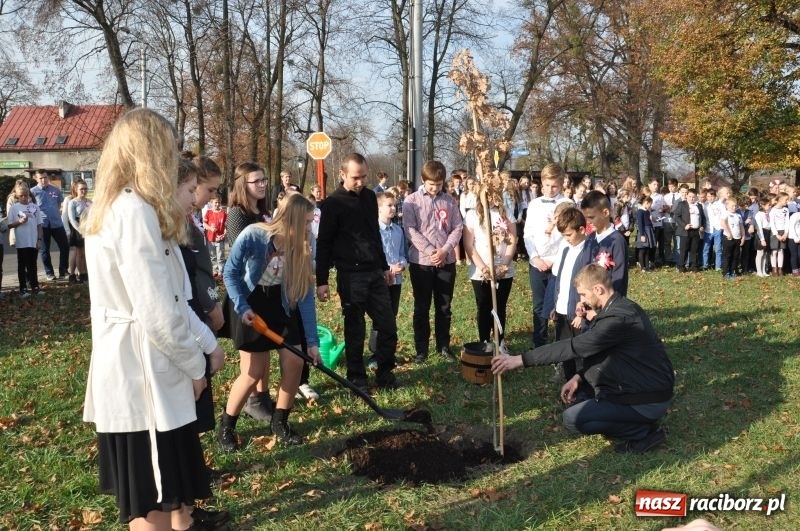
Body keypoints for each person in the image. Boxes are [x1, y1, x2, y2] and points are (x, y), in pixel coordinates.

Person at [81, 108, 227, 530]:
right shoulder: (131, 211)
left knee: (161, 496)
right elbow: (157, 311)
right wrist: (195, 364)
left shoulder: (128, 206)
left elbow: (172, 296)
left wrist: (205, 347)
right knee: (152, 503)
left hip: (143, 369)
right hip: (142, 375)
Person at [492, 263, 674, 454]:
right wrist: (579, 377)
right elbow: (604, 351)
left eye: (584, 294)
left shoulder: (617, 320)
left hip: (649, 398)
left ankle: (643, 432)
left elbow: (573, 346)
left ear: (598, 289)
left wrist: (520, 359)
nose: (581, 301)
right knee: (582, 403)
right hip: (647, 387)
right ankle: (634, 419)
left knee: (573, 419)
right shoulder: (622, 307)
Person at [220, 193, 320, 449]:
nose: (310, 227)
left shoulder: (305, 244)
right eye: (307, 222)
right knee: (253, 372)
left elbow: (306, 295)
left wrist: (312, 341)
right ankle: (227, 427)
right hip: (249, 302)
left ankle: (280, 421)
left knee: (296, 361)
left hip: (281, 304)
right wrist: (242, 307)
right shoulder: (254, 236)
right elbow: (230, 273)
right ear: (294, 220)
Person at [316, 153, 399, 391]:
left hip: (374, 271)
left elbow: (374, 235)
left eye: (364, 176)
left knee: (387, 324)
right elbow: (324, 243)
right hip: (350, 275)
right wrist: (322, 280)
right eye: (355, 178)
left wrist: (383, 266)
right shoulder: (333, 204)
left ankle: (385, 373)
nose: (361, 182)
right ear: (343, 174)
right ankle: (357, 376)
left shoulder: (370, 198)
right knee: (355, 328)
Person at [223, 162, 274, 422]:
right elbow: (240, 252)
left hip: (264, 289)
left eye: (264, 179)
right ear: (244, 184)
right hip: (244, 291)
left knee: (264, 350)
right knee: (252, 359)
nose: (263, 184)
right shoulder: (237, 213)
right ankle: (249, 401)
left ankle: (262, 397)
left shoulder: (263, 212)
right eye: (257, 181)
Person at [403, 160, 463, 363]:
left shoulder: (450, 201)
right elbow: (410, 229)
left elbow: (457, 227)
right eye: (431, 185)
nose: (435, 188)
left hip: (446, 261)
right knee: (422, 307)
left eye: (438, 185)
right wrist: (431, 251)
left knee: (444, 306)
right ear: (423, 180)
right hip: (421, 262)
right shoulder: (411, 201)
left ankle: (443, 346)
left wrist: (445, 250)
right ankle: (421, 349)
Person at [462, 179, 516, 349]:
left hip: (503, 269)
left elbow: (512, 240)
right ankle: (484, 341)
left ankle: (500, 341)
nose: (492, 198)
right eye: (488, 195)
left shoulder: (506, 213)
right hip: (481, 271)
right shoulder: (472, 215)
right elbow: (469, 244)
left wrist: (504, 265)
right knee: (484, 306)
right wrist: (483, 268)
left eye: (495, 195)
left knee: (500, 306)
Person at [523, 163, 570, 348]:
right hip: (538, 262)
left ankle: (561, 341)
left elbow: (569, 238)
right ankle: (540, 341)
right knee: (539, 303)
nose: (551, 190)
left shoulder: (567, 204)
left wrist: (554, 261)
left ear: (562, 184)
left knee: (560, 302)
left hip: (559, 262)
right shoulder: (534, 205)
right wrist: (535, 258)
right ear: (541, 184)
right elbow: (528, 234)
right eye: (547, 185)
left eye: (555, 186)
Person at [367, 191, 408, 369]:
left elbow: (402, 254)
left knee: (392, 316)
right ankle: (375, 354)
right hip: (379, 281)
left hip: (396, 281)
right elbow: (373, 256)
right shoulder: (373, 231)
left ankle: (388, 353)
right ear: (378, 208)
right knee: (380, 318)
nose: (393, 208)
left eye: (394, 205)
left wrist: (402, 265)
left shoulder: (398, 230)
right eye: (389, 205)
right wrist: (388, 268)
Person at [581, 190, 629, 296]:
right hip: (589, 301)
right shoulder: (589, 239)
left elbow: (619, 278)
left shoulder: (617, 241)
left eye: (591, 217)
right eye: (586, 218)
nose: (587, 222)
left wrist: (611, 307)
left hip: (607, 304)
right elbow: (583, 271)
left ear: (605, 213)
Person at [30, 169, 70, 280]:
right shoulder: (32, 192)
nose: (43, 180)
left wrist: (55, 214)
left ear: (48, 177)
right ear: (36, 179)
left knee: (65, 246)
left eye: (45, 177)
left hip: (56, 222)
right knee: (44, 250)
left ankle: (63, 270)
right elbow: (30, 209)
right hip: (42, 224)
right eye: (41, 178)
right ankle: (49, 273)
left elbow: (59, 205)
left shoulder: (55, 190)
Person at [7, 181, 43, 298]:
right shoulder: (14, 208)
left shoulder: (34, 207)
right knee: (22, 266)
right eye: (21, 196)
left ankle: (35, 287)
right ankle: (23, 288)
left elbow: (39, 225)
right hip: (22, 242)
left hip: (33, 241)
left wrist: (39, 239)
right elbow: (9, 225)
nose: (24, 198)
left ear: (29, 194)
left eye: (26, 195)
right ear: (17, 196)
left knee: (33, 265)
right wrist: (19, 222)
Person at [673, 188, 705, 272]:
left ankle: (693, 266)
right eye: (690, 196)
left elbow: (703, 218)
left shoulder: (699, 206)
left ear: (696, 197)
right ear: (686, 196)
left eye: (693, 197)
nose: (692, 198)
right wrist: (684, 225)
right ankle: (681, 267)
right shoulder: (682, 204)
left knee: (694, 250)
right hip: (686, 231)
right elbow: (676, 216)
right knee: (684, 250)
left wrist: (702, 226)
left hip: (696, 231)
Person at [67, 178, 91, 283]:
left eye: (85, 189)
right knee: (79, 253)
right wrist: (80, 230)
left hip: (88, 228)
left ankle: (85, 272)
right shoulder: (73, 202)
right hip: (78, 229)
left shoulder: (90, 202)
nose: (84, 191)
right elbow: (71, 219)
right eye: (81, 189)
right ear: (76, 190)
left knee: (86, 253)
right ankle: (80, 274)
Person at [720, 198, 745, 279]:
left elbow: (741, 226)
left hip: (737, 238)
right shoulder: (725, 213)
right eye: (732, 206)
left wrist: (743, 236)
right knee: (727, 255)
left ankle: (733, 271)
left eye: (735, 206)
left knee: (735, 256)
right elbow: (723, 223)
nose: (734, 207)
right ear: (727, 206)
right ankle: (726, 272)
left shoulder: (738, 215)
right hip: (729, 238)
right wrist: (728, 233)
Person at [203, 195, 227, 278]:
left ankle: (221, 271)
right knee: (212, 256)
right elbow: (204, 223)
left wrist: (224, 234)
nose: (217, 204)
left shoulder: (223, 213)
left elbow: (226, 226)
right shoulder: (208, 212)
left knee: (220, 256)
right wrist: (210, 228)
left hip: (220, 239)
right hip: (210, 238)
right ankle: (214, 270)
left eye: (219, 202)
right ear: (211, 203)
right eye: (215, 202)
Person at [769, 192, 790, 276]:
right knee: (774, 251)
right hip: (775, 233)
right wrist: (776, 234)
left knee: (781, 251)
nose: (787, 201)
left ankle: (780, 269)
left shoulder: (786, 210)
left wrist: (785, 233)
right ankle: (774, 269)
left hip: (783, 232)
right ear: (780, 200)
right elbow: (772, 223)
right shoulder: (773, 210)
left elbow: (787, 222)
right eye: (786, 200)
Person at [61, 179, 78, 282]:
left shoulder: (83, 200)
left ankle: (80, 271)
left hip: (81, 227)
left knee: (80, 252)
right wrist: (67, 231)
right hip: (72, 227)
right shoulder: (69, 199)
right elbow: (64, 216)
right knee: (73, 250)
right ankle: (71, 272)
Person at [635, 195, 655, 271]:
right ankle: (642, 267)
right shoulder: (640, 211)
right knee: (642, 250)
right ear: (646, 203)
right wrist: (642, 235)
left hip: (649, 230)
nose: (651, 206)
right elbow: (640, 224)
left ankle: (647, 267)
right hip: (644, 231)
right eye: (650, 204)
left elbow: (648, 221)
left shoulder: (647, 211)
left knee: (647, 250)